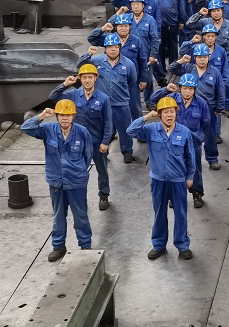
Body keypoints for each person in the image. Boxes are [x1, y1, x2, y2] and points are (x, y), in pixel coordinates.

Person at [21, 101, 94, 261]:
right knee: (58, 215)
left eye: (68, 115)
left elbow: (88, 156)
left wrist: (78, 171)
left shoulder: (82, 132)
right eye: (61, 115)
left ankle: (85, 245)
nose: (64, 118)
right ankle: (59, 246)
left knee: (80, 215)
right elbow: (26, 128)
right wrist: (41, 116)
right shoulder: (48, 129)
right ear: (57, 116)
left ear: (73, 116)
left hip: (76, 182)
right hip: (56, 181)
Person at [127, 97, 196, 260]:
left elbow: (190, 156)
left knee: (181, 214)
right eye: (165, 112)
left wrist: (190, 177)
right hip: (158, 180)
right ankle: (158, 244)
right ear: (159, 114)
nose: (169, 115)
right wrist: (146, 117)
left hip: (178, 181)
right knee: (159, 213)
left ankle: (182, 245)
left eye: (172, 112)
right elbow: (130, 130)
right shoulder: (151, 130)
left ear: (176, 113)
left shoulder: (184, 132)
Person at [48, 64, 113, 210]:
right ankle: (79, 197)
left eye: (90, 77)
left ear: (95, 78)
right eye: (84, 78)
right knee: (78, 170)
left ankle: (104, 195)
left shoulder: (103, 99)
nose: (87, 80)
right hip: (77, 142)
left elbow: (108, 122)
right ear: (80, 79)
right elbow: (53, 97)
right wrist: (65, 84)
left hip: (96, 142)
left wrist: (105, 142)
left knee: (102, 169)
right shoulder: (73, 95)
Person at [149, 75, 212, 208]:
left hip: (194, 143)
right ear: (180, 88)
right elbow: (153, 99)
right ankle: (175, 196)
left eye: (190, 89)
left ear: (194, 89)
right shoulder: (171, 99)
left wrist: (199, 138)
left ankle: (197, 193)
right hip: (174, 143)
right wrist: (166, 89)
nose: (187, 92)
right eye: (184, 88)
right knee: (174, 169)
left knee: (195, 168)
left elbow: (206, 123)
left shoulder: (201, 103)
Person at [77, 34, 139, 163]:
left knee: (125, 129)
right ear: (105, 49)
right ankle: (103, 152)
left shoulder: (128, 64)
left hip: (121, 104)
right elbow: (80, 65)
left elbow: (132, 81)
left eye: (116, 47)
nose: (113, 49)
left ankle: (127, 152)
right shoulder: (96, 62)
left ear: (120, 48)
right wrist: (88, 54)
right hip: (102, 104)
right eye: (110, 47)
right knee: (102, 129)